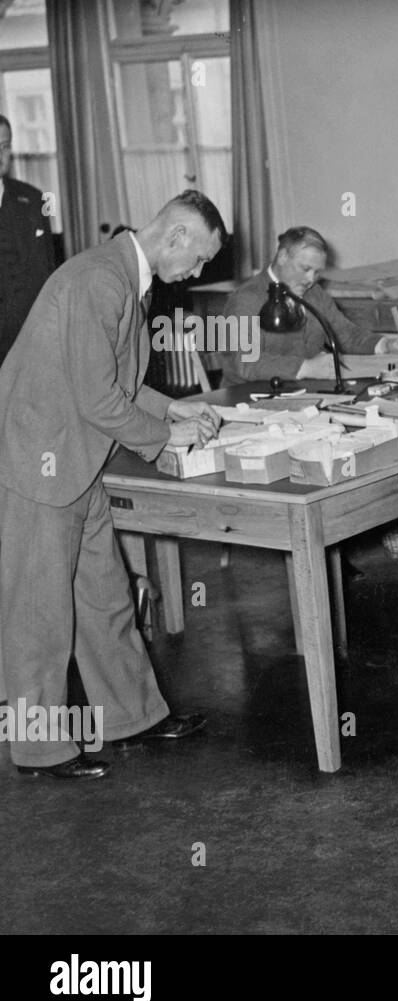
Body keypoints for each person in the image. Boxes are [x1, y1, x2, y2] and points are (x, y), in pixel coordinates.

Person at [0, 190, 227, 781]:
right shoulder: (100, 280)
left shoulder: (125, 278)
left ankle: (130, 717)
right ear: (176, 236)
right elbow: (97, 397)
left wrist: (174, 411)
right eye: (199, 259)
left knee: (105, 592)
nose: (198, 272)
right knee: (38, 613)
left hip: (78, 456)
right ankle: (39, 749)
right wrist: (163, 439)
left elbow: (115, 383)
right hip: (42, 456)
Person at [219, 226, 398, 386]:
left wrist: (384, 344)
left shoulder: (314, 294)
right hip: (247, 400)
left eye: (317, 272)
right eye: (305, 268)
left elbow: (345, 333)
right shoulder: (246, 298)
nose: (311, 279)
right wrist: (306, 367)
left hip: (301, 392)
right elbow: (244, 361)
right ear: (282, 256)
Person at [0, 113, 58, 366]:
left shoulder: (33, 200)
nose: (0, 156)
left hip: (31, 341)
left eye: (4, 146)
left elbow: (48, 270)